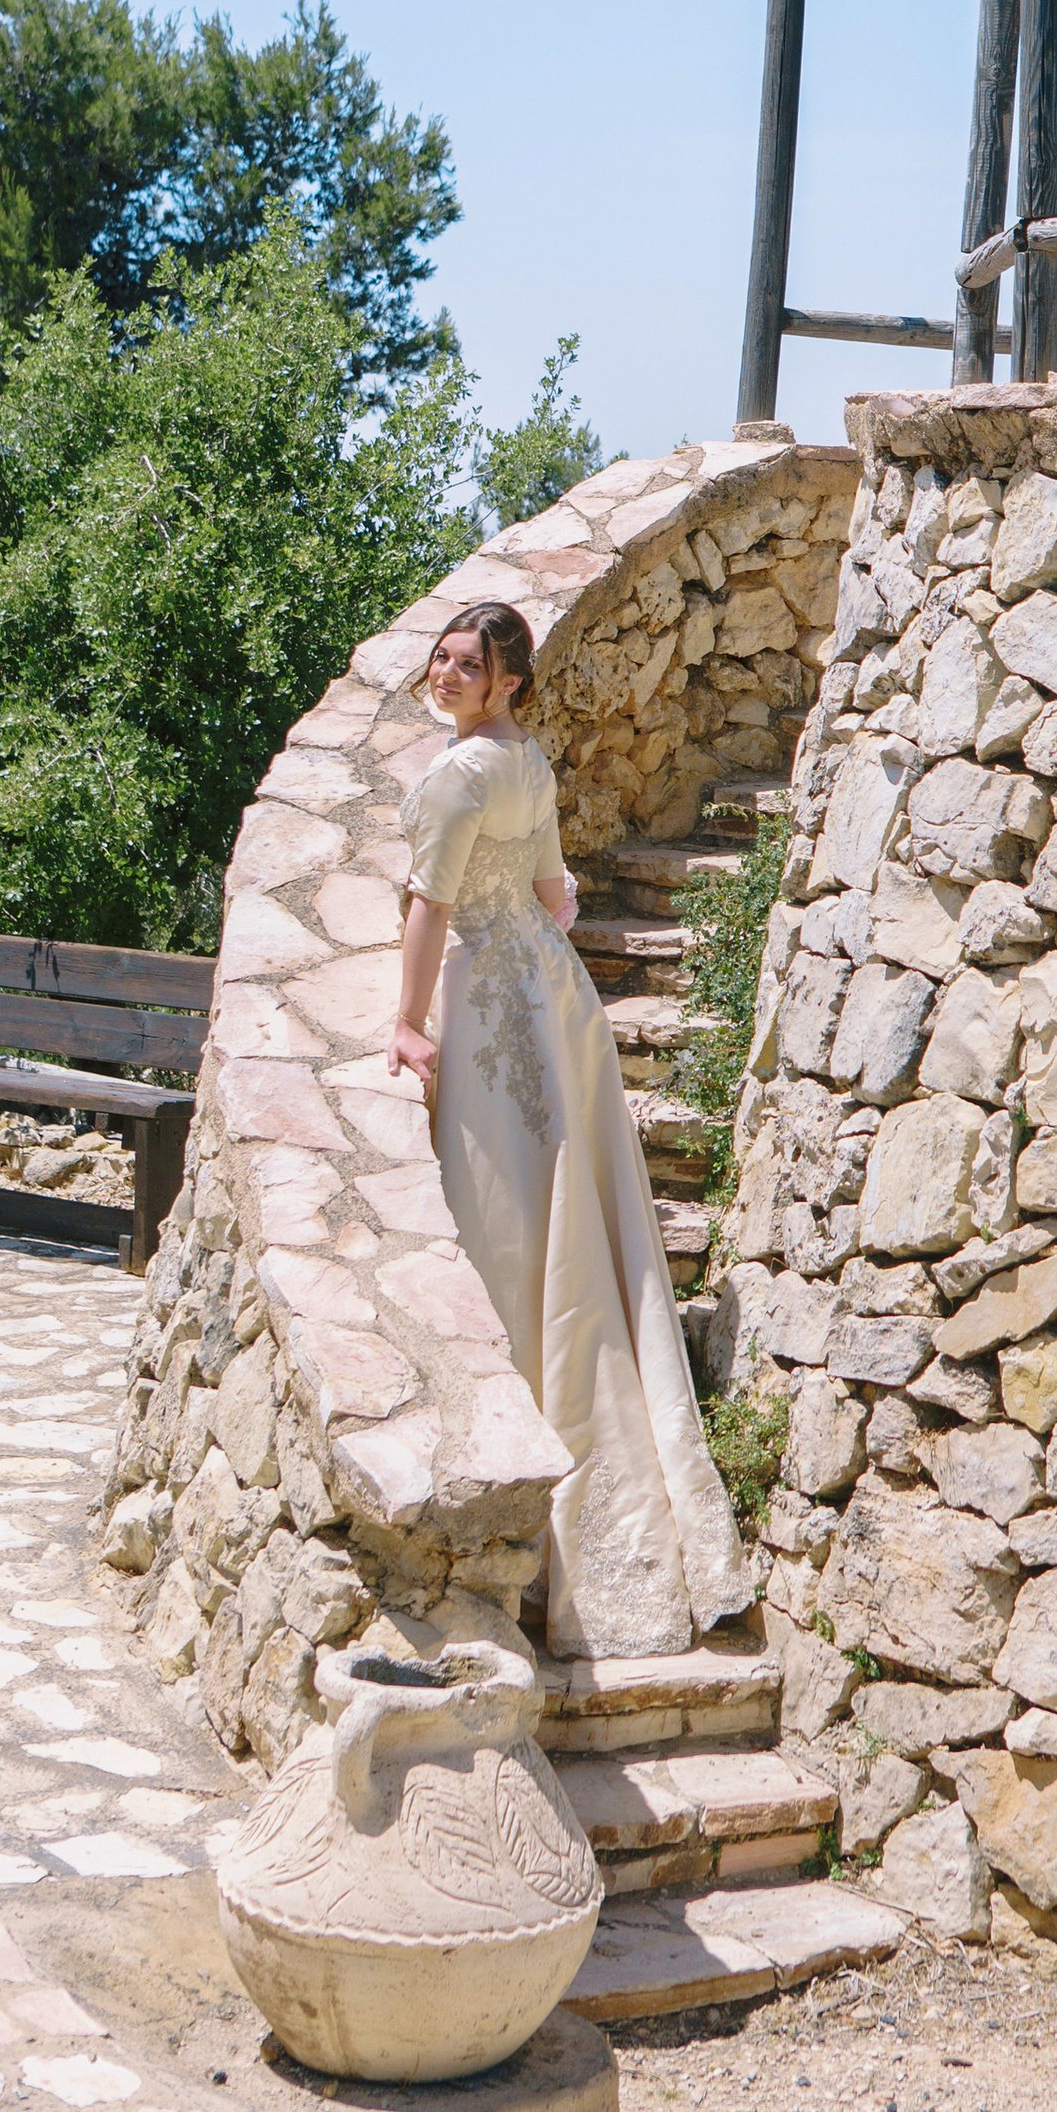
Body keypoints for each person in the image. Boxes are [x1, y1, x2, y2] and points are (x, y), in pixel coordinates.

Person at [387, 598, 751, 1658]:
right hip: (554, 996)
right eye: (440, 658)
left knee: (506, 1226)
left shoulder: (460, 774)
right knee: (564, 1215)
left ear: (508, 681)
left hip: (495, 1010)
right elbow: (557, 895)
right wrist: (522, 934)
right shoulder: (528, 760)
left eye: (466, 666)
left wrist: (408, 1021)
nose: (444, 674)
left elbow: (429, 906)